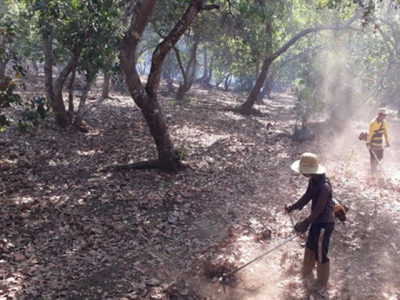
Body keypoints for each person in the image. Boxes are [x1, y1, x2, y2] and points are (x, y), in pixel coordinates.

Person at [284, 152, 335, 292]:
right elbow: (307, 196)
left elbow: (318, 209)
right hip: (316, 222)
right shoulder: (313, 181)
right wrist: (293, 206)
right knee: (310, 245)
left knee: (320, 251)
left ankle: (322, 282)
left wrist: (305, 223)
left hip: (325, 223)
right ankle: (306, 271)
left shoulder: (324, 186)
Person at [366, 107, 390, 178]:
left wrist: (387, 141)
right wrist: (368, 141)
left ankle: (373, 168)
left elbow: (386, 132)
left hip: (379, 144)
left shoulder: (384, 123)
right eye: (383, 115)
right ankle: (372, 175)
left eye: (385, 115)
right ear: (379, 114)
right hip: (373, 144)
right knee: (373, 158)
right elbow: (370, 133)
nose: (385, 116)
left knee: (380, 156)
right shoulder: (373, 123)